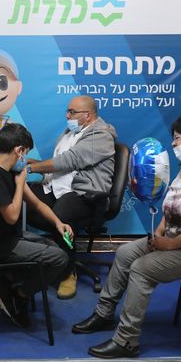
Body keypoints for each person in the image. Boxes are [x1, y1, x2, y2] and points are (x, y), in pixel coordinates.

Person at [72, 113, 181, 359]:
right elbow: (173, 202)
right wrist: (157, 236)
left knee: (143, 268)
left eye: (177, 139)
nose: (174, 144)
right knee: (125, 253)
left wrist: (171, 245)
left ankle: (126, 340)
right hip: (179, 240)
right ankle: (103, 314)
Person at [0, 123, 71, 327]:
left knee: (53, 247)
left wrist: (58, 223)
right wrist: (19, 185)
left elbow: (36, 203)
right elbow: (12, 216)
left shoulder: (9, 171)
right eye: (25, 154)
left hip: (10, 237)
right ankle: (20, 294)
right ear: (19, 150)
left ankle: (6, 280)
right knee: (60, 259)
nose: (25, 159)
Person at [25, 95, 118, 299]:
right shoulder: (69, 133)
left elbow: (70, 160)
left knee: (61, 214)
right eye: (67, 111)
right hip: (57, 188)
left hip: (87, 195)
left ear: (88, 115)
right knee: (25, 201)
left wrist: (31, 166)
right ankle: (55, 256)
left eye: (72, 112)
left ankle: (68, 272)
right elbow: (56, 164)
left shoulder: (102, 136)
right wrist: (25, 161)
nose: (67, 115)